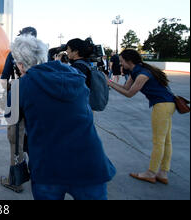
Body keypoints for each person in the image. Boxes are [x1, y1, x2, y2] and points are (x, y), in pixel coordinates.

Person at [11, 35, 116, 200]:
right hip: (90, 162)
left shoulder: (21, 86)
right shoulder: (74, 75)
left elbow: (13, 124)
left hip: (48, 167)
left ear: (21, 64)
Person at [107, 49, 176, 185]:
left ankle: (151, 173)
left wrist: (109, 83)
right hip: (168, 104)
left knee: (159, 141)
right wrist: (109, 82)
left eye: (122, 61)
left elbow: (129, 94)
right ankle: (163, 173)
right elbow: (125, 88)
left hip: (162, 106)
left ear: (129, 61)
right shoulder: (136, 71)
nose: (120, 64)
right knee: (166, 141)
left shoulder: (143, 74)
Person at [0, 28, 38, 193]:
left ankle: (16, 181)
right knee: (37, 141)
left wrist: (12, 90)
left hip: (17, 101)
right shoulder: (42, 53)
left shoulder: (13, 54)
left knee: (16, 142)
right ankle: (38, 176)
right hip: (40, 104)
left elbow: (3, 80)